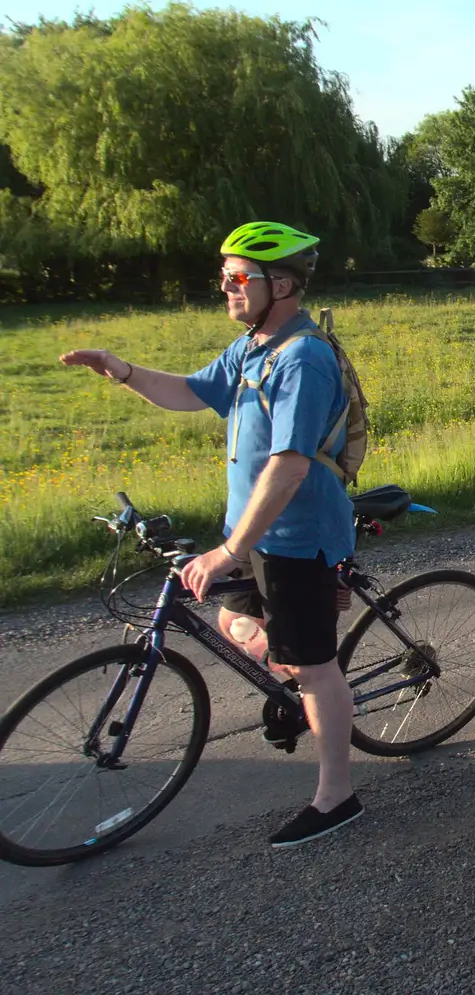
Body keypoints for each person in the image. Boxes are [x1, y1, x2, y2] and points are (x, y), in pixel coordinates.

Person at [60, 221, 362, 847]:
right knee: (231, 622)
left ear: (280, 284)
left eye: (236, 278)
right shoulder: (254, 346)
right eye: (223, 277)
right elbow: (192, 392)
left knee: (315, 668)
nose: (224, 288)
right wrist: (120, 369)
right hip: (252, 535)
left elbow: (289, 465)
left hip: (297, 537)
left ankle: (338, 796)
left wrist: (230, 551)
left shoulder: (302, 359)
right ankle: (295, 680)